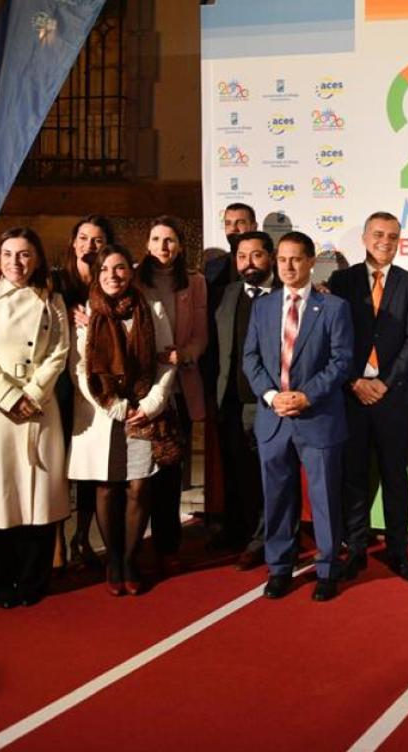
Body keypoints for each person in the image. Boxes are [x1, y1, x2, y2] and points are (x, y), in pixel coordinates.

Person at [0, 228, 71, 607]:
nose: (15, 263)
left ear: (36, 257)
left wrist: (34, 393)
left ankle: (32, 581)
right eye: (8, 254)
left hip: (39, 407)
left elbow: (60, 351)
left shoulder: (52, 299)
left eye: (23, 254)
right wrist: (8, 396)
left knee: (36, 495)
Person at [242, 231, 353, 601]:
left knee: (324, 499)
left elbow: (341, 362)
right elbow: (251, 359)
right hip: (274, 420)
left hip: (318, 417)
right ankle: (279, 568)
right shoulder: (263, 307)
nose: (288, 266)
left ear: (309, 262)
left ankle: (326, 570)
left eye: (296, 259)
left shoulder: (334, 307)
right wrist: (274, 397)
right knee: (277, 498)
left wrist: (305, 396)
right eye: (282, 260)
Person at [68, 244, 177, 595]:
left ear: (130, 271)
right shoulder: (87, 312)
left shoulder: (152, 309)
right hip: (102, 413)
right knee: (106, 486)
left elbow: (165, 360)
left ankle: (130, 558)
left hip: (143, 411)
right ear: (96, 275)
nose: (112, 277)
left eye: (119, 269)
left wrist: (153, 402)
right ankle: (113, 559)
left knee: (139, 486)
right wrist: (113, 406)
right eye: (104, 271)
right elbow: (81, 368)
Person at [328, 212, 408, 583]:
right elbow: (334, 338)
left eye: (393, 236)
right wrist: (354, 381)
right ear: (366, 237)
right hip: (351, 396)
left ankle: (398, 552)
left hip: (392, 398)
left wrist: (384, 383)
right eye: (379, 234)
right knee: (354, 477)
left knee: (395, 478)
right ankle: (355, 550)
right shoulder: (341, 281)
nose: (385, 241)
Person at [138, 216, 208, 576]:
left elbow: (201, 334)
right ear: (147, 244)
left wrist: (186, 353)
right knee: (137, 477)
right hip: (139, 391)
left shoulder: (195, 283)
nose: (163, 247)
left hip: (177, 389)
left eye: (170, 240)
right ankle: (134, 545)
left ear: (180, 246)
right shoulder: (132, 277)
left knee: (168, 473)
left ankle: (168, 546)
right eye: (156, 239)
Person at [52, 214, 115, 574]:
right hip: (62, 383)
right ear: (73, 242)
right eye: (84, 238)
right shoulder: (57, 281)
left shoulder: (111, 282)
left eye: (97, 239)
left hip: (98, 389)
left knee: (92, 468)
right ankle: (57, 538)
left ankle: (83, 536)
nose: (90, 245)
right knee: (62, 466)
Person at [211, 230, 276, 568]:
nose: (248, 263)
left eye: (256, 256)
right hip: (230, 402)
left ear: (271, 257)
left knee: (267, 476)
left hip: (268, 405)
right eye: (241, 257)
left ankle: (264, 539)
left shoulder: (285, 295)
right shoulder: (225, 295)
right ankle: (239, 530)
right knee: (238, 474)